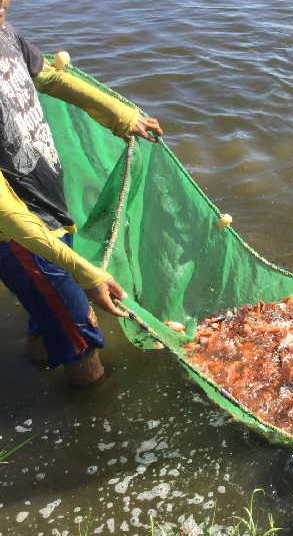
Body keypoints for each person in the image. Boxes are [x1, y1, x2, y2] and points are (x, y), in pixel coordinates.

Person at [0, 0, 163, 386]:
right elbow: (7, 215)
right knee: (83, 340)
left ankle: (33, 367)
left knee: (48, 315)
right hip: (21, 238)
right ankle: (87, 409)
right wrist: (87, 274)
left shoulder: (5, 35)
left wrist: (117, 114)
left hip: (48, 211)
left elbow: (51, 78)